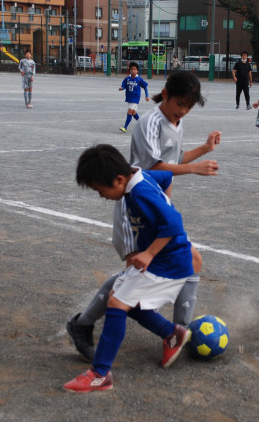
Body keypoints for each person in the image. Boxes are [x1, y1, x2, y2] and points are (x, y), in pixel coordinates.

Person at [67, 71, 221, 362]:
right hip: (133, 210)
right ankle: (83, 324)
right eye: (180, 103)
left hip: (154, 209)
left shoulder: (177, 122)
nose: (183, 110)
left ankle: (179, 333)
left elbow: (173, 160)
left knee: (192, 261)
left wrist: (203, 150)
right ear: (165, 94)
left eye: (189, 106)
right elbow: (156, 166)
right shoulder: (148, 122)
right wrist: (194, 169)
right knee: (131, 278)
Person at [64, 144, 194, 393]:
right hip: (165, 259)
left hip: (168, 262)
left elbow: (174, 223)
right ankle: (171, 334)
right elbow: (165, 176)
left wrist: (149, 252)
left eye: (101, 190)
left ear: (119, 178)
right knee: (120, 300)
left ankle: (100, 374)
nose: (101, 196)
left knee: (116, 304)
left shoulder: (140, 191)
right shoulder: (139, 175)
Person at [119, 61, 149, 133]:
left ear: (137, 70)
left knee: (129, 111)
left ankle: (125, 127)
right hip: (129, 97)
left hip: (135, 98)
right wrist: (122, 88)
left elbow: (145, 87)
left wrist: (147, 96)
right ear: (130, 70)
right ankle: (142, 124)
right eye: (132, 69)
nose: (133, 71)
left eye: (134, 69)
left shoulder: (139, 79)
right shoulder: (127, 78)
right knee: (133, 112)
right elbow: (124, 85)